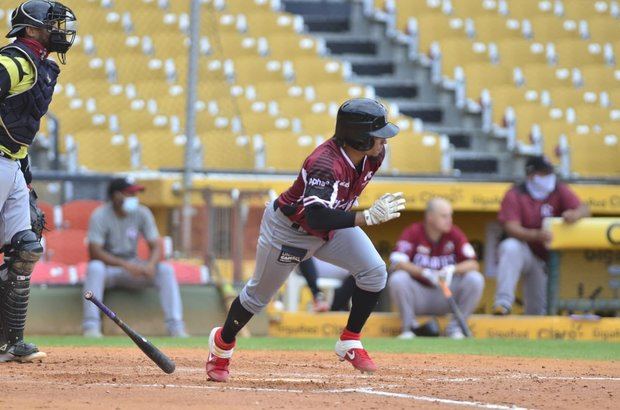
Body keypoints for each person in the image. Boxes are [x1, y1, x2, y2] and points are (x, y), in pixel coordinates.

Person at [206, 98, 405, 382]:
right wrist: (365, 218)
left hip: (331, 227)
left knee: (374, 272)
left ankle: (350, 340)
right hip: (290, 230)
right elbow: (314, 217)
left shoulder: (373, 156)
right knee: (257, 298)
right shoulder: (325, 163)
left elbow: (330, 214)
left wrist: (356, 217)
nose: (383, 143)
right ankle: (222, 345)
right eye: (377, 136)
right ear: (358, 137)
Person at [0, 0, 76, 363]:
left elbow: (19, 126)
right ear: (31, 29)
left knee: (26, 247)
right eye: (52, 25)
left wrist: (25, 177)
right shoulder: (13, 61)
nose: (59, 31)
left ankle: (9, 342)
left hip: (11, 163)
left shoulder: (35, 63)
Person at [82, 178, 188, 338]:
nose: (134, 197)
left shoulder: (142, 212)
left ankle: (176, 327)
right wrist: (124, 265)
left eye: (135, 193)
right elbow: (94, 252)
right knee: (95, 267)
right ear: (116, 196)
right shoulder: (100, 215)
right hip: (110, 269)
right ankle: (91, 327)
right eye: (130, 193)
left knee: (165, 270)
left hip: (133, 266)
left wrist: (150, 265)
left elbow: (156, 246)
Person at [493, 156, 589, 315]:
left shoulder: (558, 189)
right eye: (544, 173)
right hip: (524, 250)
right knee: (510, 247)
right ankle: (503, 303)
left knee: (537, 312)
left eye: (550, 173)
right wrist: (536, 235)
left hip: (543, 258)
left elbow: (585, 209)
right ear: (531, 175)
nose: (549, 177)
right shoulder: (516, 193)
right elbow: (510, 227)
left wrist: (575, 214)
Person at [388, 198, 484, 339]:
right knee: (398, 279)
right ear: (430, 217)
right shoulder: (414, 232)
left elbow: (473, 263)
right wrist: (424, 273)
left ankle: (455, 329)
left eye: (450, 215)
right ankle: (409, 328)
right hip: (420, 294)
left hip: (446, 293)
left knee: (475, 279)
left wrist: (452, 269)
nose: (449, 220)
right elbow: (397, 261)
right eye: (444, 216)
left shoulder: (454, 233)